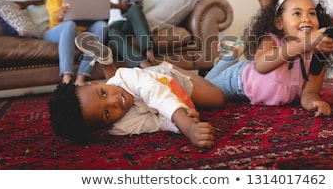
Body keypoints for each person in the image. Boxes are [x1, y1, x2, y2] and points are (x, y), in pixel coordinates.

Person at [48, 32, 225, 148]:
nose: (114, 101)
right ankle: (107, 64)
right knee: (212, 87)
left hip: (167, 80)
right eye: (107, 113)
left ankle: (174, 67)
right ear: (105, 126)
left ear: (95, 83)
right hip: (160, 89)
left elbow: (158, 95)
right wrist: (178, 124)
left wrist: (189, 129)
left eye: (103, 93)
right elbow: (157, 123)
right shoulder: (119, 128)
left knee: (218, 97)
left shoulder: (126, 77)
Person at [205, 0, 333, 117]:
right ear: (279, 22)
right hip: (234, 80)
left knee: (205, 88)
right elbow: (261, 65)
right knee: (201, 93)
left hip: (248, 90)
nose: (306, 19)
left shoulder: (318, 52)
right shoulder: (270, 39)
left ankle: (231, 55)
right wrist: (303, 44)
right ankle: (230, 56)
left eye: (312, 13)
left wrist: (313, 102)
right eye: (297, 13)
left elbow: (310, 92)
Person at [44, 0, 108, 86]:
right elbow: (53, 18)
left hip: (80, 32)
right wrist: (60, 14)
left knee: (102, 25)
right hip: (57, 31)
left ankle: (82, 77)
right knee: (69, 25)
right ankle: (66, 78)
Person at [102, 0, 157, 68]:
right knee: (112, 32)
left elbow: (138, 5)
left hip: (127, 24)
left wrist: (115, 6)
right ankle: (143, 64)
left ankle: (149, 51)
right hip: (110, 28)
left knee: (135, 9)